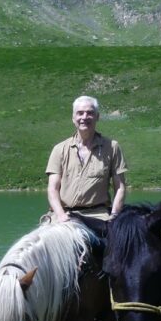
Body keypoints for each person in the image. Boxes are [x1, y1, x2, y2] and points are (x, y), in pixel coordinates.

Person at [45, 95, 127, 228]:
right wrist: (61, 216)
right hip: (62, 215)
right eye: (80, 113)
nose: (84, 117)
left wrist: (114, 216)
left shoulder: (112, 147)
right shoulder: (59, 149)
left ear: (97, 117)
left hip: (97, 215)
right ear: (73, 118)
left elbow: (120, 188)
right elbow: (53, 189)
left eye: (90, 113)